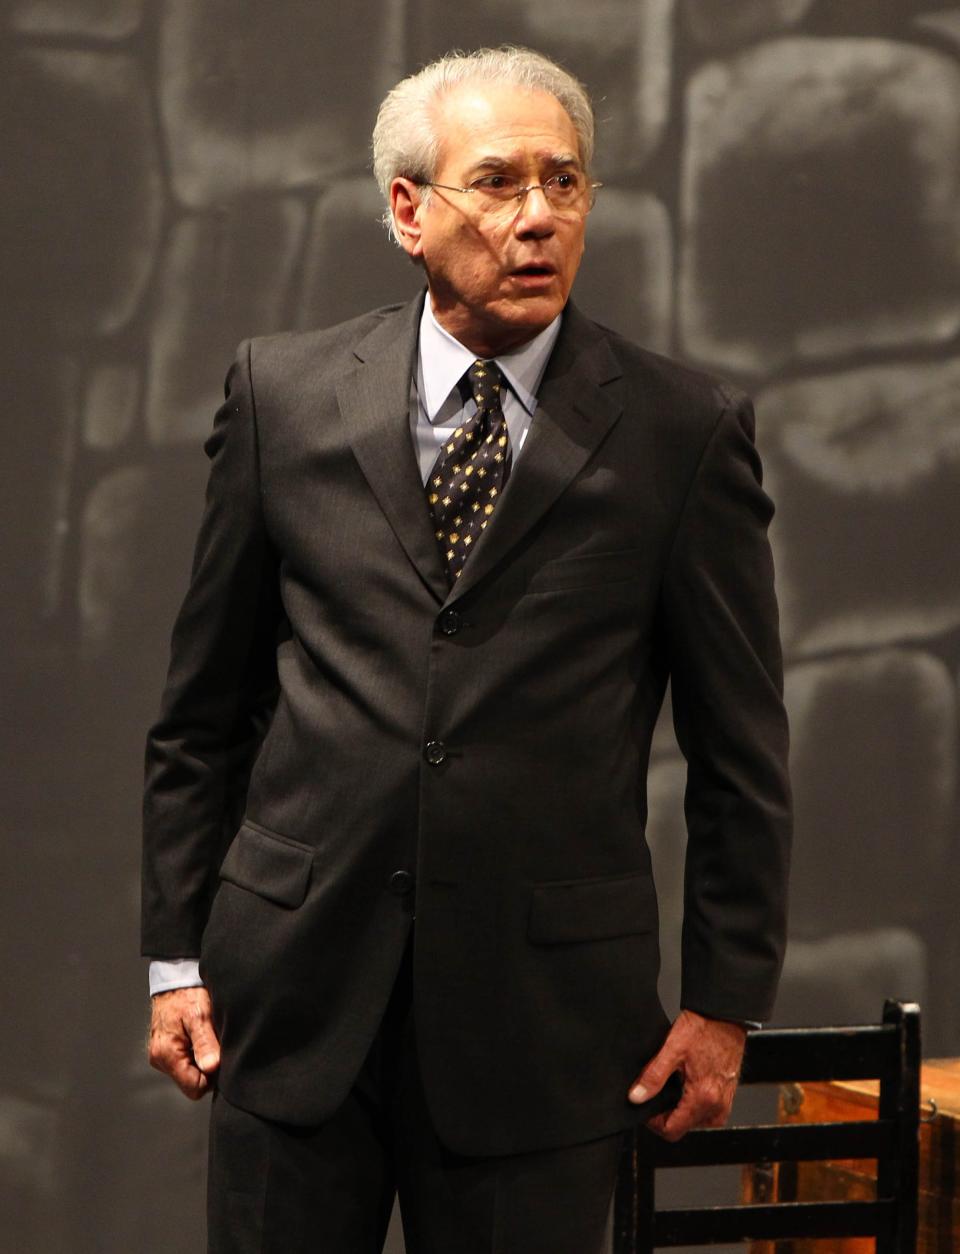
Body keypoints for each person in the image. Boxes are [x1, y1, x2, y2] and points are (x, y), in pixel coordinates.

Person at [143, 46, 791, 1254]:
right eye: (497, 183)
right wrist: (174, 957)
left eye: (566, 182)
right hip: (290, 996)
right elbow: (200, 714)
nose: (538, 217)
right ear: (408, 209)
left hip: (543, 1021)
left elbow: (740, 748)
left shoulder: (679, 433)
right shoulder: (280, 398)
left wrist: (724, 1003)